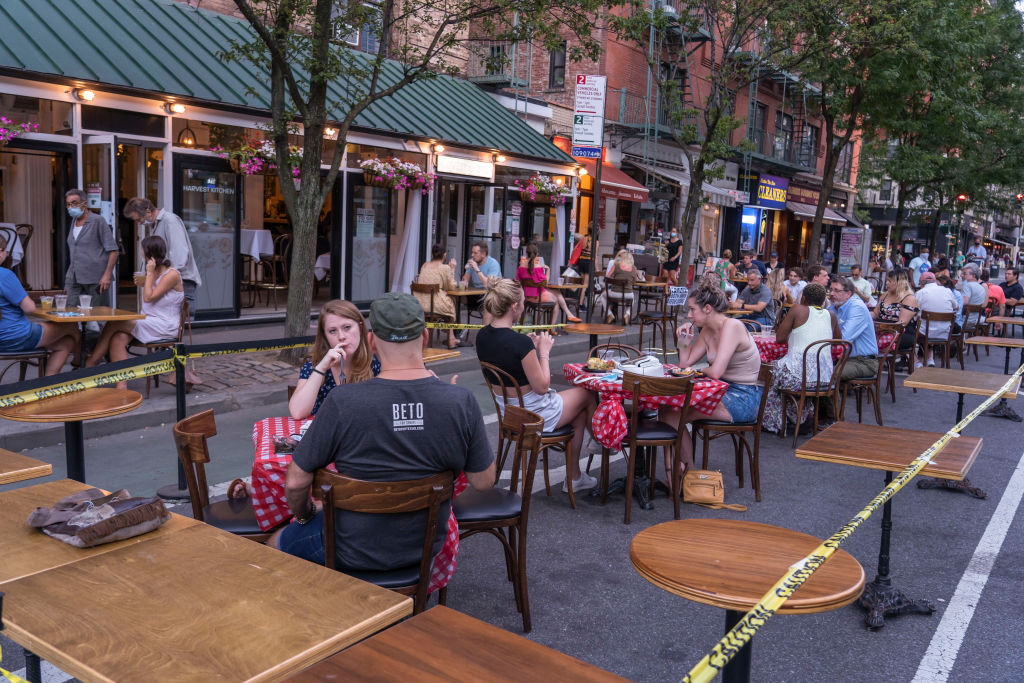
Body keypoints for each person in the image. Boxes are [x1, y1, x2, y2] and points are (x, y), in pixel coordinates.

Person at [270, 292, 495, 570]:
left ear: (372, 342)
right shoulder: (461, 401)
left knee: (275, 543)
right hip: (424, 546)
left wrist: (305, 515)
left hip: (348, 545)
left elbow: (294, 482)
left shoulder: (342, 402)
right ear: (424, 338)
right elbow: (484, 482)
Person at [475, 278, 598, 492]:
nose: (523, 306)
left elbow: (508, 359)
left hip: (509, 412)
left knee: (577, 412)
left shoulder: (482, 337)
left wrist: (529, 348)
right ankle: (598, 442)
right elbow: (542, 386)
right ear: (514, 306)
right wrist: (543, 351)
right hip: (533, 414)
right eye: (522, 302)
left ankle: (576, 476)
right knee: (587, 395)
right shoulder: (520, 343)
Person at [664, 284, 763, 492]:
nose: (689, 315)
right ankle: (686, 473)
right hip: (721, 390)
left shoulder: (732, 326)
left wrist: (698, 372)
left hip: (743, 396)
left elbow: (716, 371)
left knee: (675, 411)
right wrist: (683, 340)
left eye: (692, 310)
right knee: (667, 409)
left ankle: (685, 474)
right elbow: (685, 365)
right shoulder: (708, 330)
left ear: (707, 308)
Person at [85, 236, 183, 386]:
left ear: (150, 253)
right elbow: (154, 295)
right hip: (149, 320)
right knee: (118, 338)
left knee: (113, 324)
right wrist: (146, 282)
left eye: (142, 249)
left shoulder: (172, 274)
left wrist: (149, 275)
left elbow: (149, 298)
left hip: (164, 325)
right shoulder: (155, 271)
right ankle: (121, 386)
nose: (140, 252)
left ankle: (91, 363)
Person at [763, 283, 842, 433]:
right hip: (823, 378)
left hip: (800, 378)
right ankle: (801, 417)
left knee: (771, 374)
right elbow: (838, 338)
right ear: (823, 301)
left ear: (804, 299)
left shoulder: (798, 309)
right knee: (784, 374)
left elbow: (780, 338)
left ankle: (776, 422)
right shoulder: (830, 314)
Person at [289, 299, 381, 419]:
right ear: (325, 336)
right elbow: (297, 412)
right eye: (332, 331)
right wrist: (321, 368)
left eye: (347, 327)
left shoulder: (374, 362)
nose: (341, 337)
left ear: (360, 326)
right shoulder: (315, 364)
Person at [0, 236, 78, 375]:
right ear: (2, 251)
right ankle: (82, 364)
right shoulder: (5, 275)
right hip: (14, 337)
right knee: (71, 326)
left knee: (66, 343)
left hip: (4, 338)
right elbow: (29, 308)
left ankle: (48, 385)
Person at [123, 197, 202, 317]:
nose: (138, 223)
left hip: (181, 280)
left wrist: (158, 277)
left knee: (179, 324)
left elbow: (179, 256)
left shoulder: (169, 221)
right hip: (172, 279)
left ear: (148, 212)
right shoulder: (154, 224)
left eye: (139, 219)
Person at [64, 188, 118, 308]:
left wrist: (107, 275)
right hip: (73, 276)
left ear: (85, 204)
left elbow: (113, 251)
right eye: (68, 204)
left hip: (96, 278)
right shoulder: (73, 221)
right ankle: (76, 328)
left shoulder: (97, 221)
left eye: (74, 203)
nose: (71, 207)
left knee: (98, 313)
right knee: (68, 310)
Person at [827, 275, 878, 380]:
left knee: (828, 374)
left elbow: (844, 338)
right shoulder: (832, 307)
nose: (831, 294)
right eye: (831, 289)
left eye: (836, 290)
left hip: (863, 361)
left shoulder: (857, 307)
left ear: (848, 294)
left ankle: (831, 396)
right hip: (841, 358)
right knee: (809, 368)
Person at [517, 243, 580, 325]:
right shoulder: (538, 267)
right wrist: (548, 270)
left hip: (526, 296)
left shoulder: (521, 266)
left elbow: (518, 282)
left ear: (526, 253)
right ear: (537, 254)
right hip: (537, 297)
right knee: (556, 301)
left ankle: (569, 314)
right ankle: (552, 328)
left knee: (557, 293)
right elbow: (545, 283)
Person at [413, 243, 460, 350]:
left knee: (447, 300)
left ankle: (451, 338)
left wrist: (439, 290)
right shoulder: (445, 268)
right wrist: (452, 269)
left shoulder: (424, 265)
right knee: (451, 302)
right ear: (444, 255)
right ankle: (451, 338)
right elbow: (452, 286)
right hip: (434, 306)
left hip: (420, 305)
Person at [872, 266, 920, 357]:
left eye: (890, 281)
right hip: (882, 331)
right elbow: (875, 314)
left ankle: (873, 361)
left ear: (899, 283)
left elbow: (901, 324)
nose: (886, 283)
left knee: (871, 341)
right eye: (887, 280)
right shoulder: (885, 295)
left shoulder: (909, 298)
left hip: (901, 333)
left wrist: (880, 327)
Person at [915, 271, 958, 367]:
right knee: (926, 327)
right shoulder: (947, 291)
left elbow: (913, 312)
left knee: (915, 328)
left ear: (921, 283)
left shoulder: (920, 293)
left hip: (925, 333)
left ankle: (917, 361)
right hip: (944, 332)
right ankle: (930, 359)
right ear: (935, 281)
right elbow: (956, 307)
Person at [602, 249, 638, 324]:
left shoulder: (616, 265)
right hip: (628, 295)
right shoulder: (634, 268)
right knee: (633, 297)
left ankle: (609, 314)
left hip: (615, 293)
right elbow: (635, 281)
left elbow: (607, 278)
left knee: (603, 295)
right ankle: (627, 313)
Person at [576, 232, 596, 309]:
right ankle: (581, 304)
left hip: (581, 261)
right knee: (585, 284)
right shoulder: (595, 241)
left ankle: (579, 302)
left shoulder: (583, 238)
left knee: (582, 284)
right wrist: (597, 268)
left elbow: (577, 249)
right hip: (588, 262)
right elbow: (595, 256)